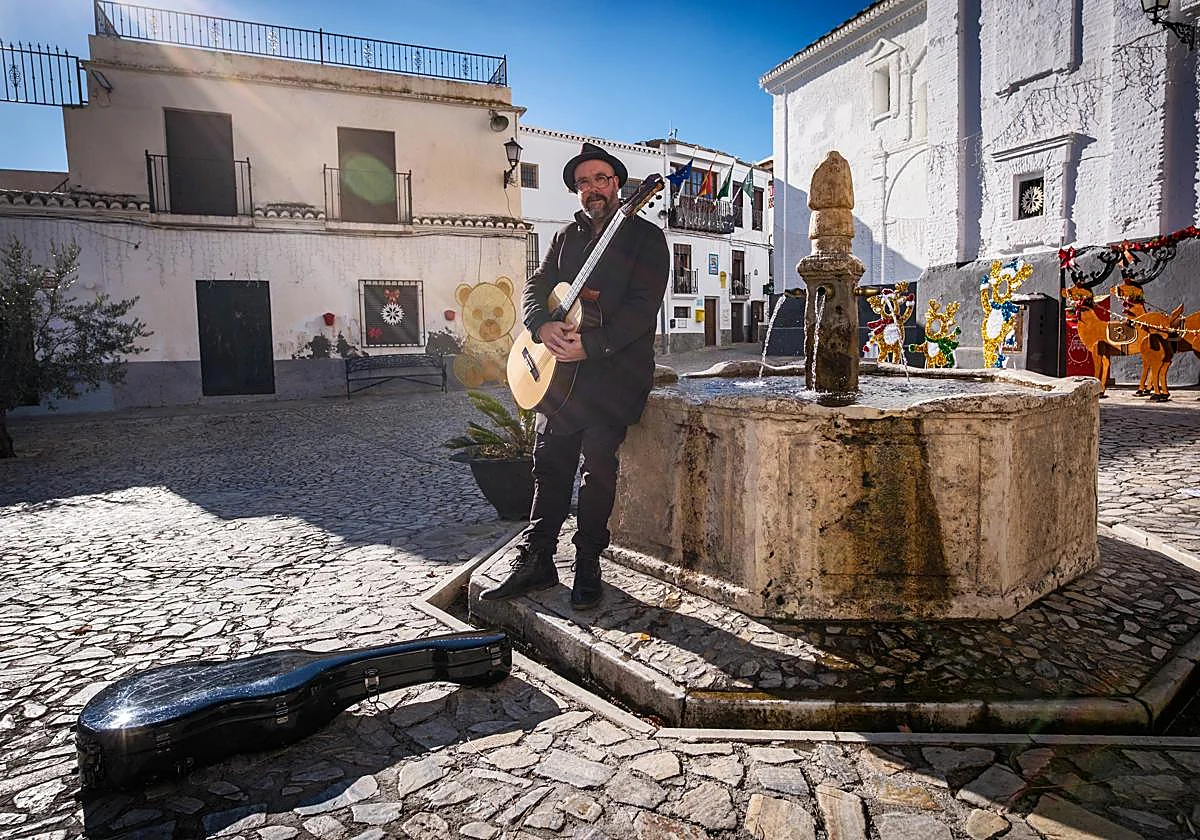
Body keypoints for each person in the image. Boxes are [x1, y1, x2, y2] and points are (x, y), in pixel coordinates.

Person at [480, 142, 669, 609]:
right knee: (549, 465)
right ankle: (537, 559)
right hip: (559, 377)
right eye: (583, 183)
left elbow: (645, 309)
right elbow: (536, 286)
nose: (592, 189)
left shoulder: (646, 239)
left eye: (600, 179)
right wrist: (539, 325)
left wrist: (594, 343)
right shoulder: (565, 236)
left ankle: (587, 564)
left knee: (598, 471)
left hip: (613, 374)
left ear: (619, 185)